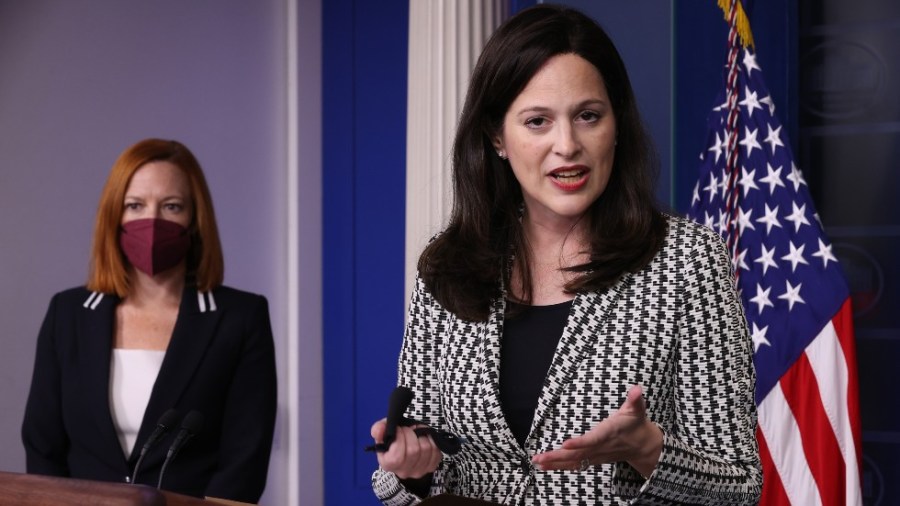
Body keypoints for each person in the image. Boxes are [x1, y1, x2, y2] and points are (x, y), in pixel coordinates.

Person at [369, 5, 762, 505]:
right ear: (497, 137)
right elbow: (400, 477)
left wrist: (648, 449)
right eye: (537, 122)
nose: (567, 145)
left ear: (616, 125)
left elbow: (741, 486)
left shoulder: (687, 259)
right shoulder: (448, 264)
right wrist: (411, 470)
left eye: (588, 116)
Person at [22, 138, 277, 503]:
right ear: (114, 215)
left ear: (194, 219)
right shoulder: (68, 314)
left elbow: (244, 462)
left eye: (171, 206)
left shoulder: (240, 318)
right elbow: (43, 445)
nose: (152, 221)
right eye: (135, 205)